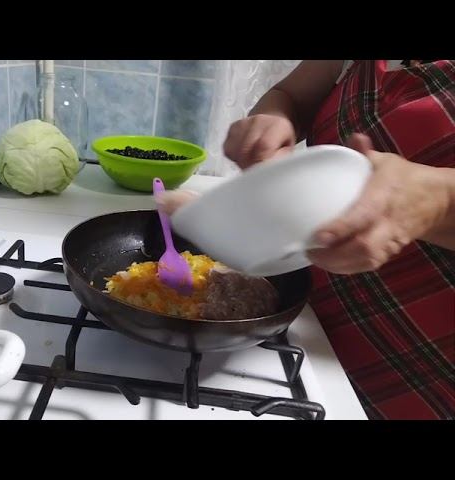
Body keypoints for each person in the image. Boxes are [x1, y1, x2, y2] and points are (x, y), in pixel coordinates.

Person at [159, 60, 455, 420]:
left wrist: (440, 201)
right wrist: (273, 120)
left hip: (425, 368)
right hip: (304, 323)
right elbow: (290, 95)